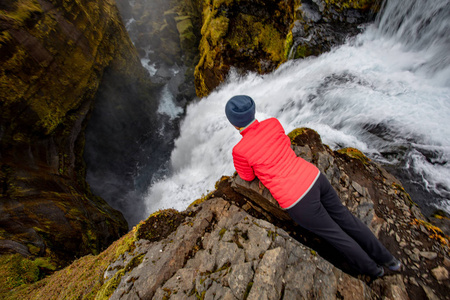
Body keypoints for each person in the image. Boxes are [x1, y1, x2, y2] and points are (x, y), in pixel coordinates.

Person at [225, 95, 401, 278]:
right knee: (346, 218)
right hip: (315, 177)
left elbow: (247, 176)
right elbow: (285, 144)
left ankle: (374, 270)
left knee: (336, 235)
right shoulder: (273, 123)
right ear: (253, 111)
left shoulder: (240, 150)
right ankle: (389, 260)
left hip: (298, 200)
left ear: (234, 124)